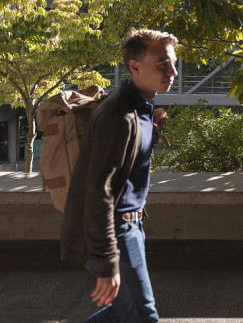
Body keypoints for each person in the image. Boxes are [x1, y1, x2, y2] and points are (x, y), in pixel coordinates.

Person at [61, 29, 178, 322]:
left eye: (173, 63)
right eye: (163, 63)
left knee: (125, 313)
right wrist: (107, 260)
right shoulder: (119, 116)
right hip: (114, 232)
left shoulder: (138, 107)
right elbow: (98, 192)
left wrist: (151, 120)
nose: (173, 71)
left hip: (130, 227)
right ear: (134, 66)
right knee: (142, 316)